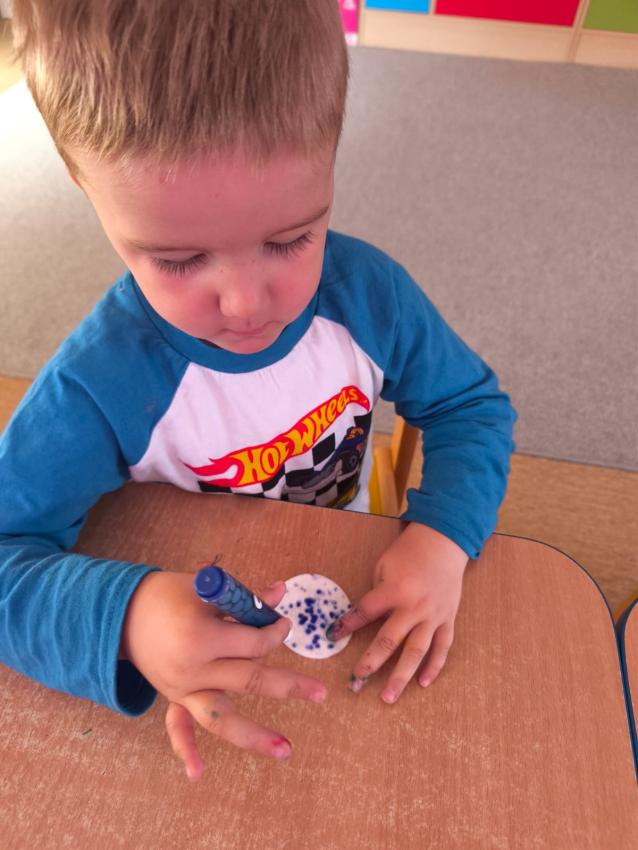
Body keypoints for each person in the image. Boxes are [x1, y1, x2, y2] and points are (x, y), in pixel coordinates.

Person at [1, 0, 516, 781]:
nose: (246, 306)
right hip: (203, 638)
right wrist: (128, 618)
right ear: (81, 182)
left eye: (291, 238)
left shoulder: (368, 295)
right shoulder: (102, 382)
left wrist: (444, 537)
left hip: (351, 566)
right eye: (178, 260)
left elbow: (469, 406)